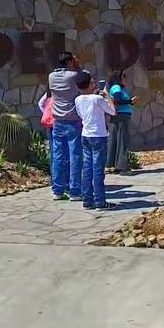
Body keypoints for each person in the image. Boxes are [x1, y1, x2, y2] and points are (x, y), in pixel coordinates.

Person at [74, 71, 117, 210]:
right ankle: (100, 201)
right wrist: (107, 96)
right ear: (88, 84)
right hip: (98, 136)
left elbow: (80, 115)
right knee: (98, 169)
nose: (94, 83)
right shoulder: (97, 99)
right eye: (92, 81)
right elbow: (113, 111)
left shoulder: (78, 99)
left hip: (85, 135)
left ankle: (87, 199)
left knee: (87, 168)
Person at [47, 52, 86, 201]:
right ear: (69, 62)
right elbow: (84, 80)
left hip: (57, 120)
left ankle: (57, 190)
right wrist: (78, 65)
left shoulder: (51, 76)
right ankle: (75, 190)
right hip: (73, 120)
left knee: (58, 155)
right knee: (75, 155)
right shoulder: (73, 75)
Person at [106, 71, 136, 174]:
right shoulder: (116, 88)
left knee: (115, 139)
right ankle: (123, 166)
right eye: (124, 76)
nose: (126, 78)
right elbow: (117, 100)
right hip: (121, 116)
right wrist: (130, 101)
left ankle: (112, 165)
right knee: (123, 140)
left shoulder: (118, 88)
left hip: (119, 116)